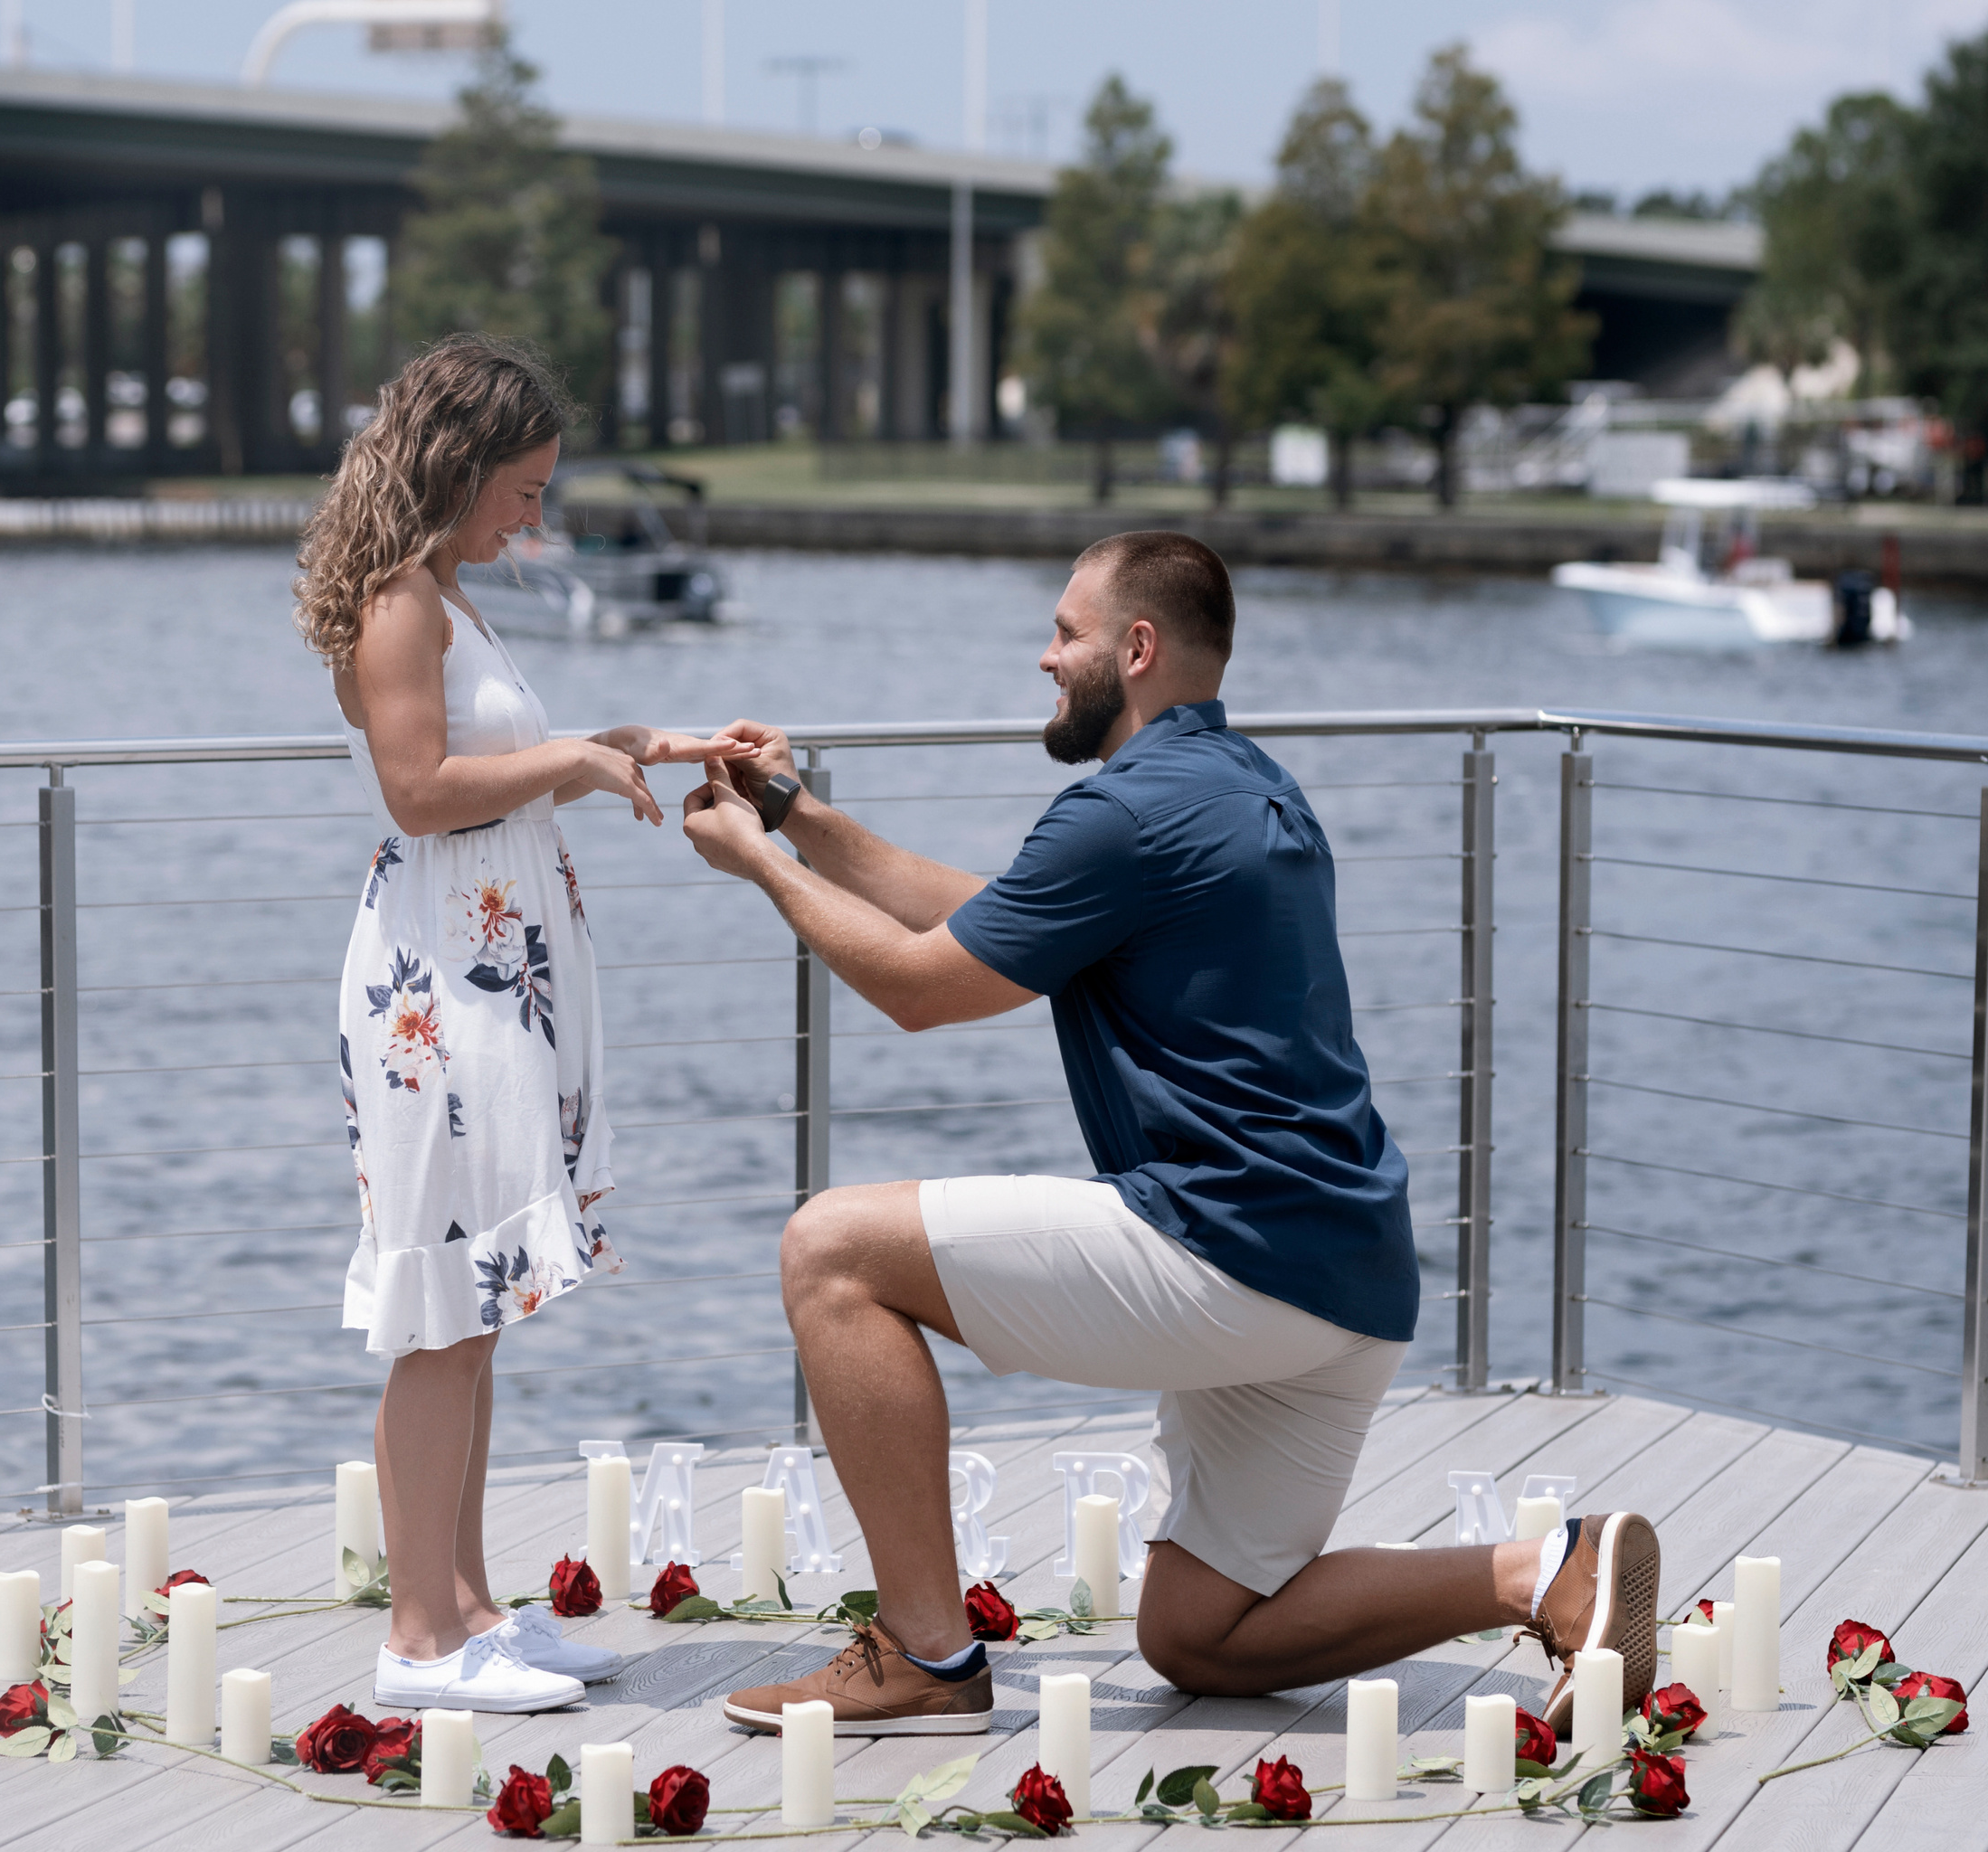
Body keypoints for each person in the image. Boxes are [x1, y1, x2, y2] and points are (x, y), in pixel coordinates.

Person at [679, 530, 1660, 1736]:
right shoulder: (1241, 782)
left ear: (1135, 649)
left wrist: (757, 869)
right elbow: (992, 920)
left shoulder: (1128, 812)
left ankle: (928, 1660)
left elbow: (925, 990)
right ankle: (1541, 1572)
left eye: (1065, 633)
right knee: (1199, 1635)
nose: (1044, 658)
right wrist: (793, 813)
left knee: (829, 1250)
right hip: (1345, 1285)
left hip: (1231, 1252)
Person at [293, 332, 756, 1712]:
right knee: (441, 1307)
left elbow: (497, 768)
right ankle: (419, 1639)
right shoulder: (398, 601)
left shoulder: (449, 594)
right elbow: (422, 790)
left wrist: (644, 741)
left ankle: (475, 1608)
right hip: (440, 988)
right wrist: (572, 758)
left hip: (492, 971)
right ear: (459, 467)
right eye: (527, 489)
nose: (537, 516)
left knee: (477, 1304)